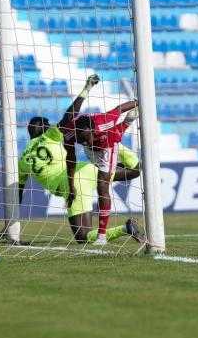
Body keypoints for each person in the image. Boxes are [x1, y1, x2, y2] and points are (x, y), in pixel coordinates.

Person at [18, 75, 145, 247]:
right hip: (87, 168)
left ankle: (125, 229)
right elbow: (69, 116)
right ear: (46, 128)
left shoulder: (22, 159)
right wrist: (86, 90)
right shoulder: (51, 135)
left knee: (82, 236)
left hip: (72, 182)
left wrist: (10, 220)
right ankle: (131, 156)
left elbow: (18, 190)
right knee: (131, 168)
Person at [70, 100, 139, 245]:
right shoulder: (73, 132)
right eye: (81, 140)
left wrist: (139, 102)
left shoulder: (106, 124)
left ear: (92, 129)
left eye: (86, 138)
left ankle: (101, 236)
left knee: (102, 187)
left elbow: (119, 108)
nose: (85, 142)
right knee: (100, 173)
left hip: (106, 147)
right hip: (94, 151)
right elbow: (70, 152)